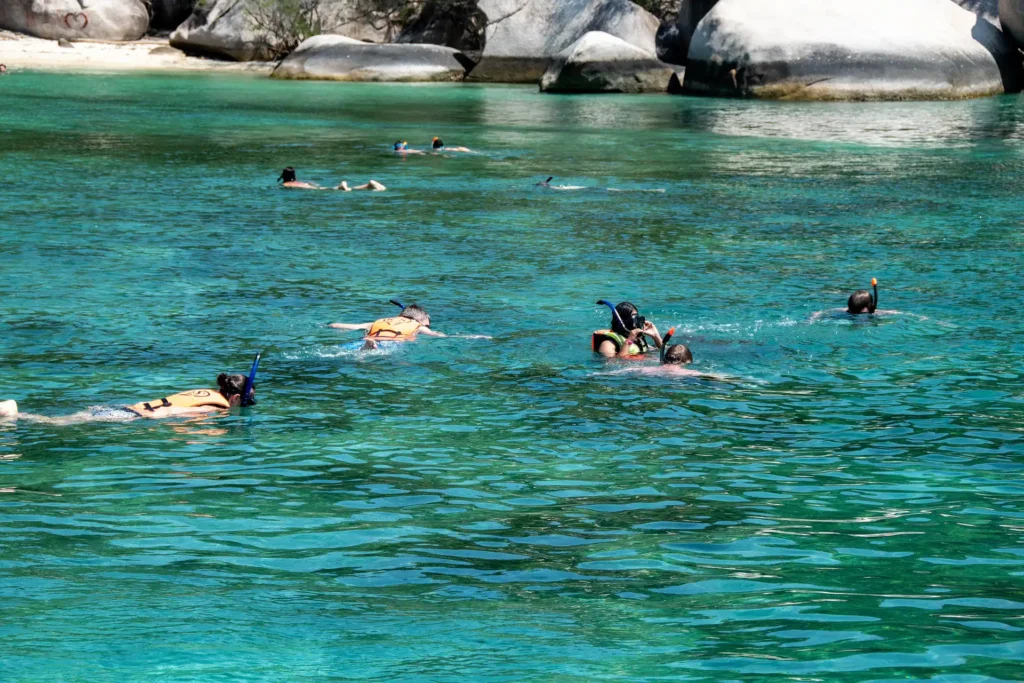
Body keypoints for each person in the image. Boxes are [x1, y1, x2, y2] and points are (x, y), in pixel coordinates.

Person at [0, 372, 256, 425]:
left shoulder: (205, 392)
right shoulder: (214, 407)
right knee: (55, 423)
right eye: (245, 401)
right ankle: (11, 412)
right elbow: (170, 413)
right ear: (234, 398)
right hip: (130, 415)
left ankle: (12, 412)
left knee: (68, 418)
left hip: (126, 407)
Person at [329, 302, 446, 350]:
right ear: (421, 320)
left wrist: (332, 325)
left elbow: (351, 326)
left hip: (367, 338)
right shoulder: (418, 326)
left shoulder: (382, 321)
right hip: (392, 342)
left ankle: (367, 346)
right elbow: (435, 334)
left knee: (344, 350)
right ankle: (367, 349)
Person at [593, 301, 664, 358]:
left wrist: (656, 336)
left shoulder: (638, 340)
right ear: (624, 321)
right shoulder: (608, 344)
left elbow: (663, 352)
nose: (638, 321)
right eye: (634, 318)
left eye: (637, 317)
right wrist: (629, 341)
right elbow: (612, 365)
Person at [277, 167, 386, 191]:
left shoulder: (285, 185)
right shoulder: (299, 181)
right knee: (333, 188)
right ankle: (368, 185)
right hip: (308, 185)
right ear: (294, 176)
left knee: (332, 189)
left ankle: (369, 186)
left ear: (283, 176)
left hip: (308, 189)